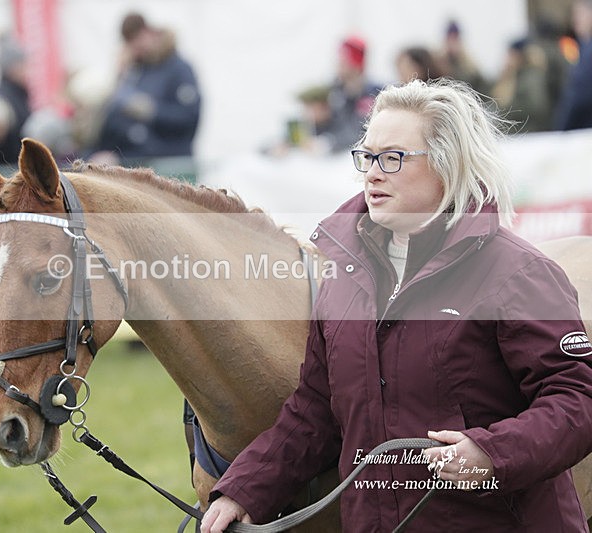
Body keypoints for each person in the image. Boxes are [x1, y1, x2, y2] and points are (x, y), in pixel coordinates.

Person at [201, 79, 592, 532]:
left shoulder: (518, 273)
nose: (371, 173)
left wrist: (491, 452)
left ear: (448, 165)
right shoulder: (342, 278)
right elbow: (316, 408)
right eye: (367, 157)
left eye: (392, 158)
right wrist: (244, 490)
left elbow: (576, 399)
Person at [88, 12, 201, 166]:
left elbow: (188, 118)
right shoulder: (139, 69)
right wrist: (120, 75)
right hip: (136, 156)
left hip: (169, 162)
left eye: (138, 45)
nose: (136, 51)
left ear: (147, 33)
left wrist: (151, 110)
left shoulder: (179, 70)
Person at [327, 36, 382, 152]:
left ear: (356, 64)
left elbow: (361, 131)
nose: (338, 65)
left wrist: (329, 143)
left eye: (344, 62)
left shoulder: (375, 92)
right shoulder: (334, 89)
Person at [491, 38, 551, 132]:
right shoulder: (514, 75)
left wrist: (506, 110)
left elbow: (535, 106)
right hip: (520, 132)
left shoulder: (530, 77)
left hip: (528, 132)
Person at [554, 0, 592, 130]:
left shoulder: (589, 51)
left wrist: (562, 129)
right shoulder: (582, 47)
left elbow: (580, 95)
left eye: (579, 14)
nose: (575, 20)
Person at [0, 35, 31, 164]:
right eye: (23, 65)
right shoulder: (5, 98)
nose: (28, 71)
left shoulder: (19, 94)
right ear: (12, 68)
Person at [435, 20, 487, 93]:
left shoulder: (470, 67)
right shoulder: (437, 62)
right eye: (450, 38)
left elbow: (479, 87)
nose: (452, 43)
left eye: (455, 38)